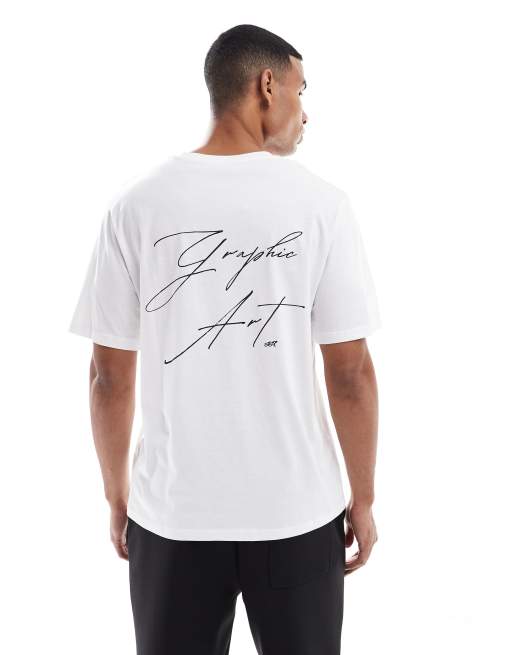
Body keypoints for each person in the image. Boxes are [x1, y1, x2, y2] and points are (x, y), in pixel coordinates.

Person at [68, 23, 381, 655]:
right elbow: (350, 373)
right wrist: (365, 499)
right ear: (267, 86)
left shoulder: (135, 207)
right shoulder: (322, 206)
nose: (305, 113)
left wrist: (117, 494)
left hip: (173, 516)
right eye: (300, 90)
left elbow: (108, 376)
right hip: (297, 513)